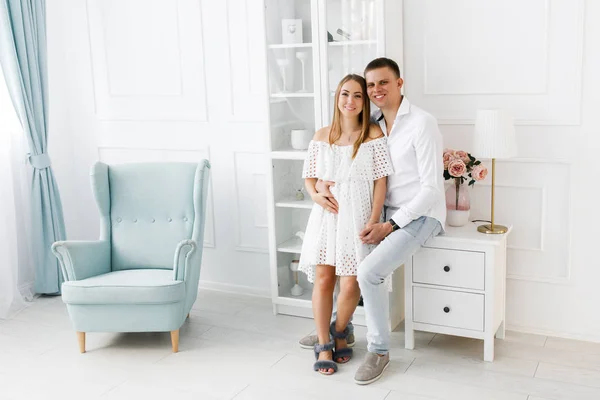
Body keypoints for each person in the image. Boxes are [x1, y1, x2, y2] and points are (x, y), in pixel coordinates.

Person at [313, 58, 446, 384]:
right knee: (349, 271)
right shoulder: (372, 124)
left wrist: (391, 224)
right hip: (378, 213)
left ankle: (379, 350)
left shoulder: (422, 123)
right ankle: (336, 332)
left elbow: (431, 189)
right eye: (370, 85)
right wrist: (317, 187)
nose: (376, 90)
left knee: (369, 272)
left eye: (383, 83)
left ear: (400, 84)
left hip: (421, 216)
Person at [298, 74, 394, 375]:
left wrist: (374, 218)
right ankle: (325, 342)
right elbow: (309, 178)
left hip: (359, 216)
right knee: (325, 279)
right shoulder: (321, 136)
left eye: (357, 96)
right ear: (337, 98)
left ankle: (341, 330)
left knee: (352, 282)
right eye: (344, 94)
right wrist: (317, 195)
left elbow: (381, 182)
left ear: (364, 102)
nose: (350, 101)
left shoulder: (374, 135)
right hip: (328, 217)